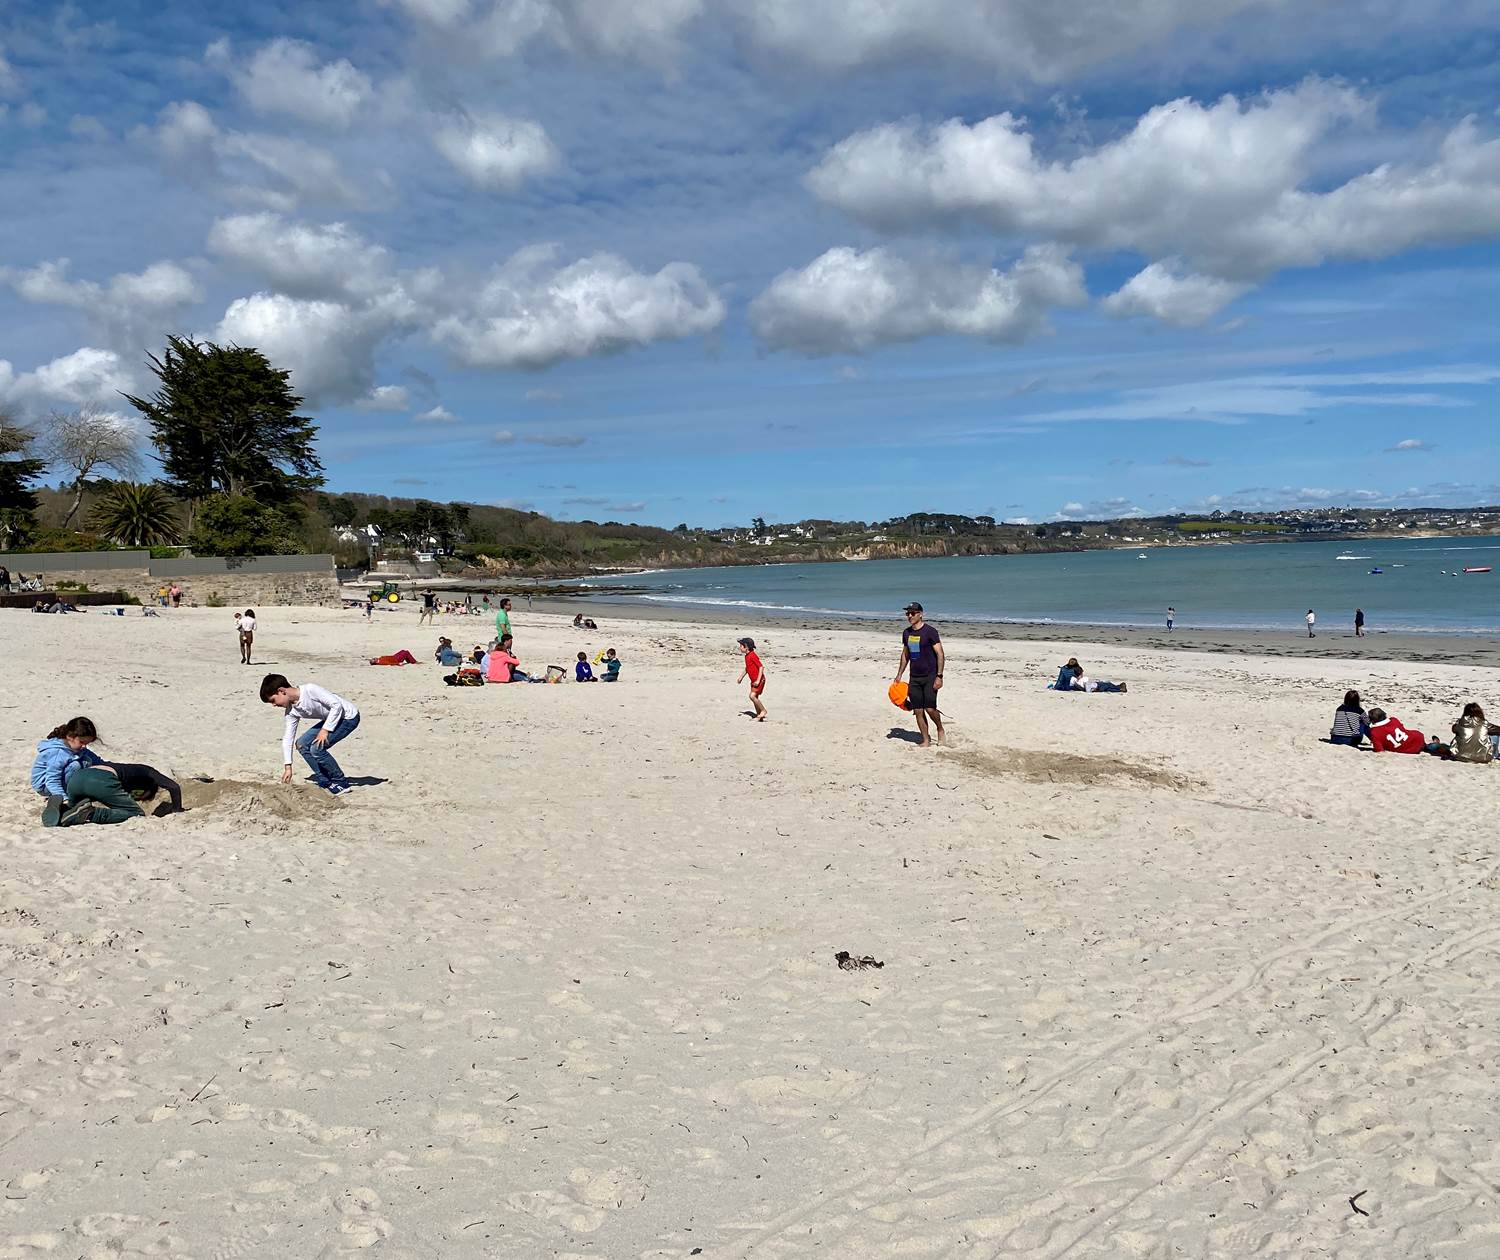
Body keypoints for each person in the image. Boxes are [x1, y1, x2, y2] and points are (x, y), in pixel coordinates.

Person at [260, 674, 362, 795]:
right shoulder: (291, 711)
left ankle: (341, 783)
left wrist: (325, 730)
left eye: (273, 700)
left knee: (317, 748)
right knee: (302, 744)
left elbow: (336, 705)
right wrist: (288, 767)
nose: (274, 705)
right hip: (330, 719)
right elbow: (288, 738)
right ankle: (325, 780)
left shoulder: (310, 690)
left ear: (281, 691)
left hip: (348, 717)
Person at [31, 716, 105, 825]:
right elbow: (52, 780)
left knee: (86, 759)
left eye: (86, 743)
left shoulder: (76, 747)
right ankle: (60, 798)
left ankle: (65, 794)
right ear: (70, 737)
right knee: (75, 765)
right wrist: (65, 799)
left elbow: (98, 761)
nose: (84, 746)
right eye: (82, 742)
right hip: (45, 785)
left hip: (55, 781)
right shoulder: (58, 753)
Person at [894, 602, 945, 747]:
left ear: (921, 614)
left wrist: (939, 676)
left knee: (930, 708)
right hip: (914, 677)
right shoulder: (907, 633)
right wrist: (899, 674)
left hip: (930, 676)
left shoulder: (930, 632)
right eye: (907, 613)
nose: (909, 616)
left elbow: (940, 654)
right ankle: (926, 740)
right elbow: (905, 655)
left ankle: (940, 729)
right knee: (918, 710)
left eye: (913, 613)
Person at [1367, 707, 1448, 756]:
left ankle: (1436, 744)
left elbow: (1379, 750)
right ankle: (1436, 744)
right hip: (1415, 738)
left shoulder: (1375, 732)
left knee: (1427, 748)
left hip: (1409, 747)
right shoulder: (1394, 720)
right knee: (1426, 747)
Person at [737, 636, 767, 720]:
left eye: (741, 646)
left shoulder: (753, 655)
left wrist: (758, 680)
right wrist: (741, 677)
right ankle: (759, 716)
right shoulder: (746, 656)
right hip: (753, 681)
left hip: (760, 680)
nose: (739, 647)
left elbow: (761, 667)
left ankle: (763, 711)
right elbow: (747, 668)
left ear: (746, 647)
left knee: (752, 696)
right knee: (755, 698)